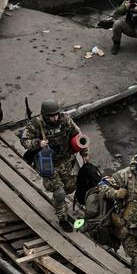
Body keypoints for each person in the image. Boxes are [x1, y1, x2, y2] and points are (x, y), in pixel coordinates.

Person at [19, 99, 87, 232]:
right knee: (60, 192)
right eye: (51, 116)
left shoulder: (65, 120)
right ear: (45, 115)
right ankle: (63, 218)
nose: (55, 118)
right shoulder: (36, 124)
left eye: (56, 114)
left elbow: (78, 135)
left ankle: (56, 201)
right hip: (49, 163)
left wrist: (84, 153)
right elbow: (24, 140)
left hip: (66, 160)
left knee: (70, 187)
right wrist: (38, 143)